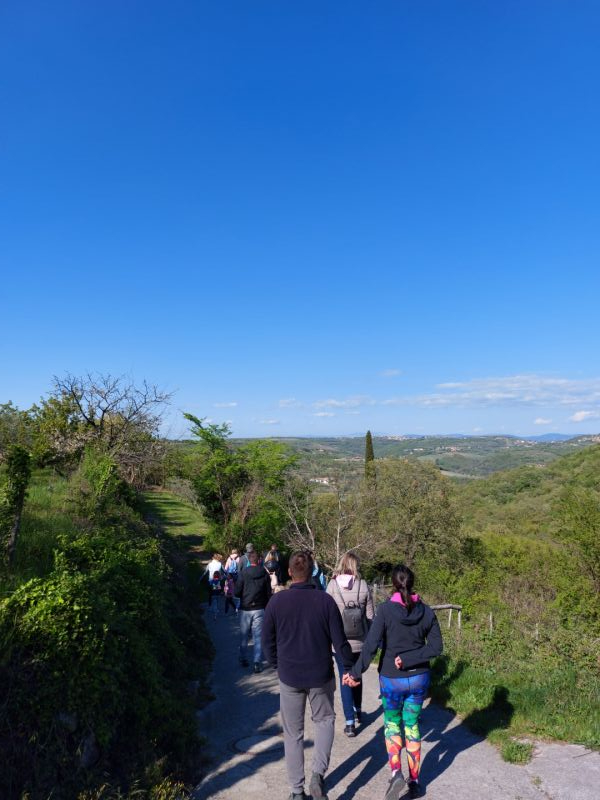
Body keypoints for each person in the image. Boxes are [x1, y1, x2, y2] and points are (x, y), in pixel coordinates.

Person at [344, 565, 442, 800]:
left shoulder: (386, 611)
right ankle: (415, 781)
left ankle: (396, 772)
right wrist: (412, 658)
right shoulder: (426, 611)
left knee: (392, 725)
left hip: (391, 680)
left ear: (393, 585)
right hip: (419, 679)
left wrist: (355, 673)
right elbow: (436, 647)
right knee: (412, 726)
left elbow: (369, 646)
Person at [262, 550, 354, 800]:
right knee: (324, 721)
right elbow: (340, 642)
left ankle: (296, 791)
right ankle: (318, 775)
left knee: (293, 733)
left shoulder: (277, 602)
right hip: (320, 674)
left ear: (290, 572)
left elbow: (266, 640)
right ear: (312, 571)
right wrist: (352, 669)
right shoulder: (325, 602)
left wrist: (277, 665)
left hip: (290, 675)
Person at [326, 551, 374, 737]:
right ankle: (359, 710)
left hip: (339, 643)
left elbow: (325, 616)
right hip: (360, 641)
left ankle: (349, 722)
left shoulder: (331, 586)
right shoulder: (363, 586)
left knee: (344, 676)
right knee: (357, 675)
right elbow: (370, 617)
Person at [235, 549, 272, 673]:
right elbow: (268, 593)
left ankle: (243, 658)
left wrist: (243, 596)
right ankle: (257, 662)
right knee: (258, 636)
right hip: (260, 608)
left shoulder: (243, 573)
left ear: (249, 560)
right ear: (259, 560)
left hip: (245, 608)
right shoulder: (264, 573)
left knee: (244, 635)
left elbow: (237, 592)